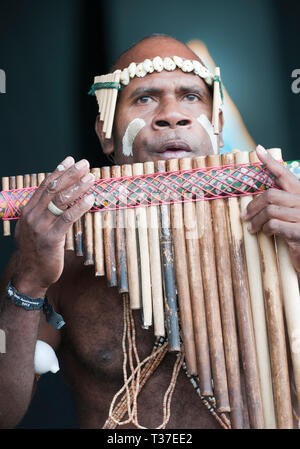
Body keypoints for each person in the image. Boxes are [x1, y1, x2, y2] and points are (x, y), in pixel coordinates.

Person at [1, 34, 300, 430]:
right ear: (106, 132)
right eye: (144, 98)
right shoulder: (59, 245)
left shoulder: (285, 225)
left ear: (219, 124)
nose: (172, 115)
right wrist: (28, 280)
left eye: (191, 96)